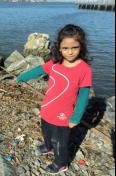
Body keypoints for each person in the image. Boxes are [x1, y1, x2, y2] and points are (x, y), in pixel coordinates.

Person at [16, 24, 92, 174]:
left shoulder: (84, 69)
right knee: (46, 131)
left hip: (64, 116)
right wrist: (23, 76)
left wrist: (76, 118)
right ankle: (48, 146)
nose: (70, 52)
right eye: (65, 48)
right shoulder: (55, 63)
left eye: (74, 48)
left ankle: (61, 163)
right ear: (59, 48)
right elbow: (40, 69)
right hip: (47, 108)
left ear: (81, 47)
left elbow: (83, 95)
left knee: (60, 142)